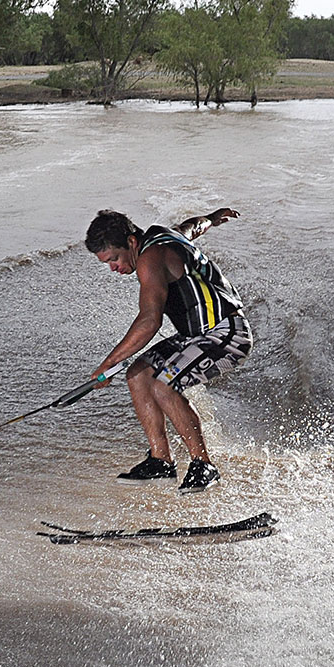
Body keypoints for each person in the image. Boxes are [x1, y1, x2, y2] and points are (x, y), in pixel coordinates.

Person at [84, 206, 251, 492]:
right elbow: (192, 227)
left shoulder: (151, 258)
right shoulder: (163, 234)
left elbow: (149, 321)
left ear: (132, 242)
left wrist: (108, 363)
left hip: (227, 334)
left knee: (164, 386)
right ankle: (161, 460)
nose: (113, 268)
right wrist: (212, 218)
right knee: (138, 374)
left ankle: (203, 465)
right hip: (196, 336)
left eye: (114, 259)